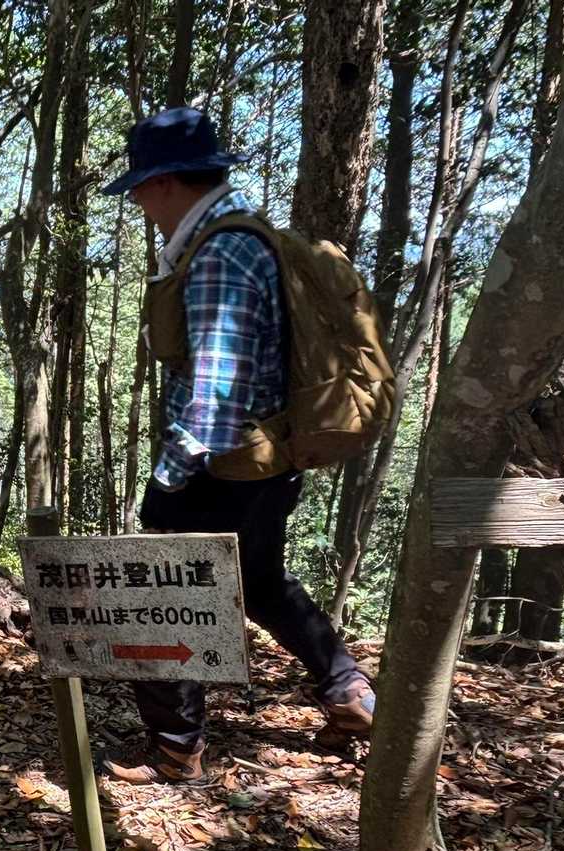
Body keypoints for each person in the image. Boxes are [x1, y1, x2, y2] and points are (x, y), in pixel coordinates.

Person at [98, 107, 375, 785]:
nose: (138, 205)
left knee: (158, 596)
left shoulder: (220, 254)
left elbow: (217, 395)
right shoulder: (244, 237)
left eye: (138, 190)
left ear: (163, 182)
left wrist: (167, 481)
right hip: (266, 461)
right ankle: (347, 688)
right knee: (259, 581)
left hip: (221, 464)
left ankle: (176, 749)